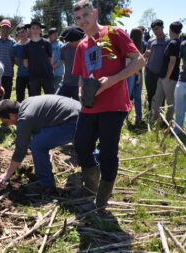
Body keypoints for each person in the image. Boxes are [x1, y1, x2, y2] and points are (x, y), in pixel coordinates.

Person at [71, 0, 145, 211]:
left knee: (107, 152)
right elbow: (81, 76)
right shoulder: (82, 45)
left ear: (94, 13)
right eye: (78, 18)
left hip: (113, 105)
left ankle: (101, 201)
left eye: (86, 15)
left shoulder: (113, 33)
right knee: (81, 145)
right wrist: (80, 89)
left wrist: (112, 80)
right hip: (90, 105)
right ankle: (91, 188)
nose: (83, 20)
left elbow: (139, 61)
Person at [0, 96, 80, 194]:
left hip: (73, 122)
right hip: (81, 113)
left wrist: (7, 173)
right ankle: (96, 162)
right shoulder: (26, 103)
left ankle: (46, 184)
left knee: (38, 145)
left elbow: (20, 150)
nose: (9, 125)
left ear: (11, 116)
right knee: (84, 145)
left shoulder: (25, 118)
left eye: (6, 122)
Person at [151, 22, 183, 122]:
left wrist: (168, 76)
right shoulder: (177, 42)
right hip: (163, 76)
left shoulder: (173, 43)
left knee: (170, 101)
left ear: (170, 30)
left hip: (169, 77)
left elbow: (172, 61)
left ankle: (169, 121)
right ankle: (154, 117)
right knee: (157, 97)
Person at [144, 19, 170, 111]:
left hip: (162, 73)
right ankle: (150, 112)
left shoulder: (168, 41)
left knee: (160, 96)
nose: (155, 31)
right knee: (150, 94)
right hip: (150, 72)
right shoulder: (151, 41)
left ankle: (159, 116)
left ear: (162, 27)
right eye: (154, 30)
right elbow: (146, 55)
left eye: (157, 29)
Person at [23, 20, 54, 96]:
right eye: (33, 28)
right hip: (33, 77)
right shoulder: (26, 45)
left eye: (37, 28)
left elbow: (51, 58)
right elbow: (25, 63)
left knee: (50, 98)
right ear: (30, 30)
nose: (35, 30)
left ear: (40, 30)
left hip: (47, 75)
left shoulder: (46, 43)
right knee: (35, 100)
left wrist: (46, 67)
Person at [57, 25, 85, 100]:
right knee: (57, 101)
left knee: (81, 108)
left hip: (80, 84)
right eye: (72, 41)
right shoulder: (64, 48)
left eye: (77, 40)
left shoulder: (85, 48)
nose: (75, 42)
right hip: (66, 83)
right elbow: (64, 62)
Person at [126, 28, 145, 126]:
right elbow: (134, 61)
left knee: (129, 96)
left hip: (132, 72)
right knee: (136, 96)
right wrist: (138, 74)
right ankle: (138, 117)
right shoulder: (133, 44)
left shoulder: (131, 43)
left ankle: (126, 116)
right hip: (134, 72)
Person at [13, 24, 30, 102]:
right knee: (19, 97)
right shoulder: (16, 46)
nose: (21, 34)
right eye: (19, 33)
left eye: (23, 32)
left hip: (32, 75)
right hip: (20, 75)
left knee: (33, 97)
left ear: (27, 32)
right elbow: (16, 61)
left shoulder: (32, 44)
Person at [174, 39, 186, 134]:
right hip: (182, 81)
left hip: (182, 81)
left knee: (179, 110)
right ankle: (177, 130)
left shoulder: (184, 43)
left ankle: (177, 130)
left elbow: (183, 60)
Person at [48, 28, 64, 92]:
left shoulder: (60, 44)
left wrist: (52, 66)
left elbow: (62, 59)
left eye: (56, 34)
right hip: (48, 72)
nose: (56, 36)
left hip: (58, 72)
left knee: (57, 91)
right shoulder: (47, 44)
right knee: (49, 90)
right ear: (49, 35)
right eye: (54, 34)